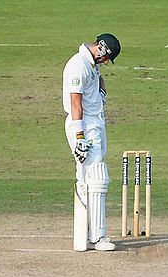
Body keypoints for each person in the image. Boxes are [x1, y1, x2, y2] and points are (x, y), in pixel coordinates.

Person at [63, 33, 121, 252]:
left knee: (86, 177)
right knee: (97, 176)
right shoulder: (78, 65)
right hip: (84, 125)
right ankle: (98, 238)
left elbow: (97, 83)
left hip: (94, 123)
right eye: (107, 58)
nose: (106, 62)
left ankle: (83, 236)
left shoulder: (91, 64)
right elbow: (75, 103)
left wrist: (101, 95)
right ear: (102, 49)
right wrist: (79, 138)